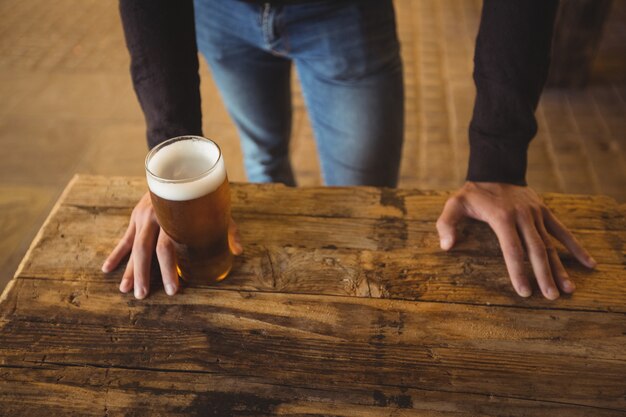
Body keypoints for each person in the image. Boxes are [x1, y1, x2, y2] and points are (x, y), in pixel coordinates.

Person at [102, 0, 596, 300]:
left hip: (346, 14)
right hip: (218, 13)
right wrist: (171, 172)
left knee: (364, 200)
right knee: (263, 155)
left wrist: (498, 163)